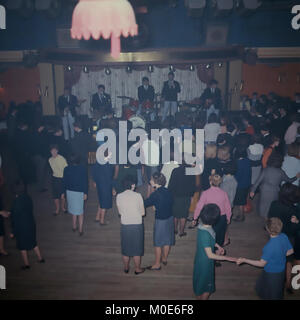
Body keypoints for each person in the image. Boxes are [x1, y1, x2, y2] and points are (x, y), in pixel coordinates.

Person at [237, 218, 294, 300]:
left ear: (268, 230)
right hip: (280, 271)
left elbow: (261, 263)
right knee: (264, 287)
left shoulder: (269, 247)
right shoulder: (284, 236)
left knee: (274, 294)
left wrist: (245, 260)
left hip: (273, 274)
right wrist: (280, 255)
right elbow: (290, 251)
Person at [193, 204, 237, 300]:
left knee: (201, 284)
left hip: (202, 260)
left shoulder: (203, 226)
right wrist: (227, 258)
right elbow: (210, 255)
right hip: (204, 264)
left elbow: (210, 241)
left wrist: (217, 246)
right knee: (205, 288)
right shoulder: (205, 233)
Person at [268, 183, 300, 294]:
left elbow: (269, 220)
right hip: (288, 239)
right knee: (288, 261)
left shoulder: (274, 204)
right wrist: (297, 223)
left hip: (275, 236)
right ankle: (288, 285)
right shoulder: (293, 210)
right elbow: (293, 229)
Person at [250, 152, 300, 219]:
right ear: (280, 162)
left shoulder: (266, 169)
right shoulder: (281, 172)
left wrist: (252, 191)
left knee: (263, 205)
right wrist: (296, 177)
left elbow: (257, 181)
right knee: (271, 206)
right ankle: (269, 219)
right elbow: (289, 180)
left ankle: (264, 218)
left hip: (264, 191)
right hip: (274, 192)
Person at [10, 181, 45, 269]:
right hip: (30, 223)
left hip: (21, 227)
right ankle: (40, 258)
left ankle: (26, 264)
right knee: (33, 242)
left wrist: (13, 232)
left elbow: (15, 219)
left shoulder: (16, 203)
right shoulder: (28, 197)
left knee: (22, 246)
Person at [144, 172, 174, 270]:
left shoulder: (155, 195)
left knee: (158, 243)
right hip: (169, 218)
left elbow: (145, 203)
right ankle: (164, 258)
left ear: (156, 182)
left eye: (151, 180)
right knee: (167, 240)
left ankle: (157, 264)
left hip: (160, 221)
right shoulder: (168, 191)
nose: (150, 181)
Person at [116, 175, 145, 275]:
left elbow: (120, 212)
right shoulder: (138, 196)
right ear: (132, 185)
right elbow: (143, 213)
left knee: (125, 248)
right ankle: (137, 269)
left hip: (125, 225)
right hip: (137, 225)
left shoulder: (119, 196)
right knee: (137, 249)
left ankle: (126, 268)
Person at [193, 174, 232, 248]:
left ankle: (210, 252)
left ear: (210, 182)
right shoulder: (223, 193)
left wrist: (195, 218)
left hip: (209, 218)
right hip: (221, 218)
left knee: (210, 236)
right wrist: (228, 217)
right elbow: (228, 207)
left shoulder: (205, 193)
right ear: (219, 182)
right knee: (220, 237)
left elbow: (199, 207)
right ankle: (218, 251)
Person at [63, 154, 88, 236]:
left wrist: (64, 193)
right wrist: (85, 193)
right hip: (79, 192)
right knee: (80, 212)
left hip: (69, 192)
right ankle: (80, 230)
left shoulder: (66, 169)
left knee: (73, 210)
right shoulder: (82, 169)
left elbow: (64, 182)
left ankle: (74, 226)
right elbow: (85, 182)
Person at [168, 162, 196, 237]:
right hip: (186, 196)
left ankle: (174, 230)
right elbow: (193, 185)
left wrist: (170, 194)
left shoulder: (175, 170)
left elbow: (171, 184)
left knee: (175, 214)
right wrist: (192, 195)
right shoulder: (191, 171)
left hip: (175, 196)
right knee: (183, 215)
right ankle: (181, 232)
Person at [92, 160, 115, 225]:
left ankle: (97, 217)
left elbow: (94, 171)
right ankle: (102, 221)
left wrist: (95, 180)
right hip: (106, 184)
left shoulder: (99, 161)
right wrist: (112, 188)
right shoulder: (108, 164)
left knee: (101, 200)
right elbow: (110, 177)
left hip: (100, 183)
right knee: (105, 202)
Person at [232, 149, 252, 222]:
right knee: (242, 200)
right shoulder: (247, 160)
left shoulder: (238, 163)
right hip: (247, 184)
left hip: (240, 185)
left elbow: (237, 176)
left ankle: (241, 216)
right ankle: (240, 215)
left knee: (240, 202)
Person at [48, 144, 68, 216]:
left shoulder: (62, 158)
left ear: (57, 151)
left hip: (62, 179)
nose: (53, 152)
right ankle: (57, 209)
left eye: (55, 151)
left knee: (62, 196)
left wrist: (65, 179)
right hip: (54, 178)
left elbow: (66, 169)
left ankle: (63, 208)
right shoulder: (50, 160)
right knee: (55, 195)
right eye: (52, 151)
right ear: (50, 151)